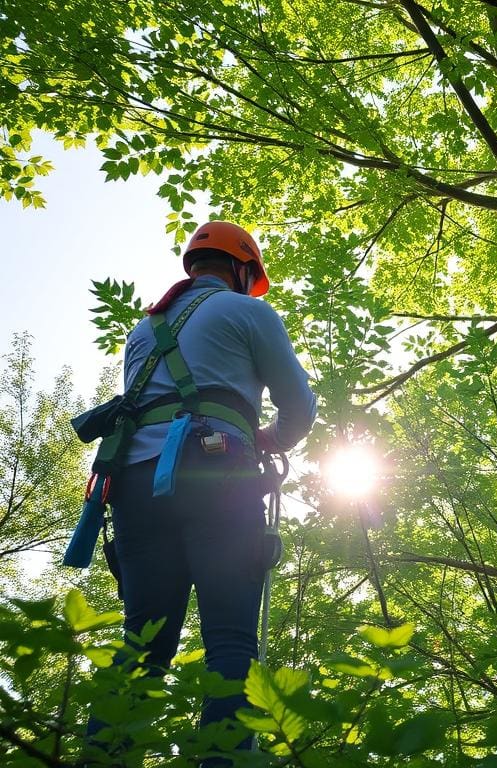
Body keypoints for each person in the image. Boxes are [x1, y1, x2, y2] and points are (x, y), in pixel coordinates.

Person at [85, 221, 317, 760]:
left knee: (144, 642)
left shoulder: (144, 330)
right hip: (219, 478)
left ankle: (102, 758)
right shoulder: (248, 311)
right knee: (231, 640)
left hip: (137, 489)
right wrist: (270, 438)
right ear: (242, 269)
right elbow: (299, 406)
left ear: (195, 264)